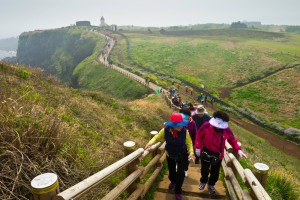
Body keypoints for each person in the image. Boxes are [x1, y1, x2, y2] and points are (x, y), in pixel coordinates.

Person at [194, 111, 247, 194]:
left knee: (215, 173)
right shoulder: (206, 125)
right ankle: (203, 181)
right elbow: (199, 135)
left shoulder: (226, 130)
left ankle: (211, 184)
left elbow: (232, 140)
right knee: (204, 170)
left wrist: (238, 149)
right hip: (206, 152)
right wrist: (197, 147)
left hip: (218, 155)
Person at [145, 113, 195, 200]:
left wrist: (191, 152)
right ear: (172, 125)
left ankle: (178, 191)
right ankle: (173, 180)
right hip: (170, 155)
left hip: (182, 155)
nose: (181, 127)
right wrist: (150, 142)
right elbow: (156, 137)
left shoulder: (185, 132)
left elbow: (189, 143)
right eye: (178, 125)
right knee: (172, 173)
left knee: (181, 174)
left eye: (181, 125)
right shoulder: (165, 130)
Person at [179, 108, 197, 177]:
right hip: (178, 143)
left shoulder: (192, 123)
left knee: (186, 158)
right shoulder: (177, 121)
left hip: (188, 144)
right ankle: (179, 167)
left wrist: (194, 145)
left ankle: (185, 169)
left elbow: (194, 134)